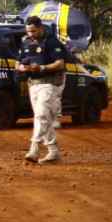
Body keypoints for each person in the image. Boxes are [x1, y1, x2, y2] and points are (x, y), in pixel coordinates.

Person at [18, 16, 71, 164]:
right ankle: (53, 152)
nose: (31, 34)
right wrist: (21, 67)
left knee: (41, 115)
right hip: (33, 83)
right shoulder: (25, 42)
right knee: (43, 118)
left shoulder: (51, 41)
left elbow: (60, 63)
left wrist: (42, 67)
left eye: (34, 31)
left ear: (41, 28)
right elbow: (19, 61)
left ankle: (34, 148)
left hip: (50, 83)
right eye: (28, 31)